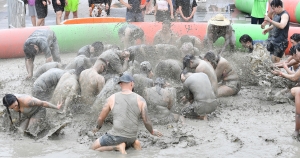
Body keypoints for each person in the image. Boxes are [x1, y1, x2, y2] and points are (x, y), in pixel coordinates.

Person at [90, 74, 162, 154]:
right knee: (128, 139)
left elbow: (100, 118)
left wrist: (97, 128)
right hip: (132, 137)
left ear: (120, 84)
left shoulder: (112, 98)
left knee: (93, 148)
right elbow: (146, 120)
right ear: (132, 83)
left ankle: (117, 147)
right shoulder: (141, 99)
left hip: (116, 136)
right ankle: (135, 143)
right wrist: (152, 131)